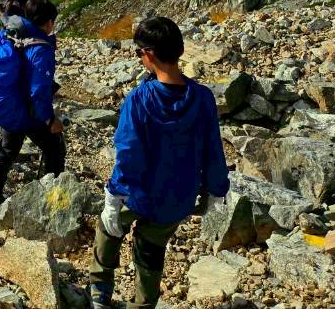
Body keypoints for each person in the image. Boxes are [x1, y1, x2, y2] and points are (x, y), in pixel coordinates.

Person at [89, 16, 230, 309]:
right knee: (151, 250)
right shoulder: (203, 98)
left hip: (138, 192)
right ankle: (143, 304)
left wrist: (114, 196)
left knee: (107, 228)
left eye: (138, 52)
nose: (139, 57)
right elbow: (213, 149)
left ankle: (100, 291)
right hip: (177, 198)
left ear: (149, 54)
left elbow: (128, 152)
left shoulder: (139, 99)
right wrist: (216, 190)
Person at [0, 0, 65, 207]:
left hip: (5, 99)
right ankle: (51, 203)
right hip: (16, 104)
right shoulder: (40, 47)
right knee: (54, 145)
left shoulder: (11, 31)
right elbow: (39, 91)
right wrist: (50, 120)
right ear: (49, 22)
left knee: (10, 145)